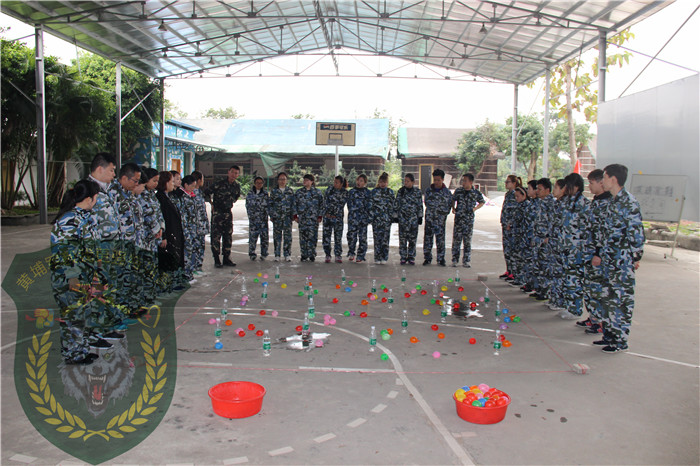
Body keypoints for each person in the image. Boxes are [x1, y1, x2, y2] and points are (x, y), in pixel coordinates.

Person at [591, 164, 645, 353]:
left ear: (613, 179)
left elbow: (637, 234)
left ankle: (620, 341)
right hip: (609, 261)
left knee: (621, 301)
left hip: (621, 263)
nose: (602, 181)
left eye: (604, 177)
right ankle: (609, 335)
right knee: (608, 299)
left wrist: (635, 257)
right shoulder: (612, 202)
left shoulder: (628, 202)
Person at [51, 180, 103, 365]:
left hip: (84, 275)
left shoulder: (85, 216)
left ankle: (81, 349)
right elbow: (65, 251)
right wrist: (73, 277)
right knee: (72, 317)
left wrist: (95, 271)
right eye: (96, 197)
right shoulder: (69, 220)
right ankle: (72, 354)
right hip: (70, 278)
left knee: (81, 315)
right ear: (89, 199)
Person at [578, 169, 613, 334]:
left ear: (602, 183)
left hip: (598, 254)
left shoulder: (608, 204)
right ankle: (593, 317)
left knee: (598, 288)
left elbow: (603, 232)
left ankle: (599, 321)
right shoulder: (596, 201)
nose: (589, 186)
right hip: (589, 251)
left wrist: (598, 253)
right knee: (590, 287)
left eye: (591, 183)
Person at [108, 163, 143, 316]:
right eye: (134, 181)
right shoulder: (112, 194)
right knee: (119, 280)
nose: (136, 184)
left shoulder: (127, 194)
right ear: (124, 178)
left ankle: (130, 306)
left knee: (130, 277)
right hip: (118, 245)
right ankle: (120, 312)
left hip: (132, 243)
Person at [557, 173, 592, 320]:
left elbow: (588, 228)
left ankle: (575, 309)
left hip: (577, 249)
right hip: (565, 246)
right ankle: (568, 305)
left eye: (568, 185)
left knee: (575, 279)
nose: (566, 188)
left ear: (576, 186)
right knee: (566, 278)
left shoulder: (584, 203)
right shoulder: (566, 201)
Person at [203, 165, 240, 268]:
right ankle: (216, 259)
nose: (234, 175)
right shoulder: (219, 183)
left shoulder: (236, 186)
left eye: (236, 173)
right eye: (232, 172)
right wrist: (211, 203)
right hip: (218, 214)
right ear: (228, 172)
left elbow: (236, 197)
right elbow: (206, 192)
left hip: (228, 213)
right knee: (216, 236)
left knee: (228, 236)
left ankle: (226, 258)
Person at [137, 168, 164, 302]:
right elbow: (147, 214)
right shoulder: (141, 195)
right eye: (153, 181)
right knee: (146, 267)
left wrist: (161, 227)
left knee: (152, 265)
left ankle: (151, 294)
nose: (155, 184)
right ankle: (146, 297)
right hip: (146, 236)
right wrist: (155, 229)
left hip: (154, 236)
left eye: (157, 181)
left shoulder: (152, 194)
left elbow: (158, 213)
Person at [156, 171, 186, 291]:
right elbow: (162, 218)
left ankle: (175, 281)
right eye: (171, 181)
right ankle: (168, 284)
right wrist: (164, 236)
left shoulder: (169, 196)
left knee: (176, 257)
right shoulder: (160, 198)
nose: (173, 184)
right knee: (169, 258)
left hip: (175, 232)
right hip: (168, 233)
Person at [528, 178, 555, 300]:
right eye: (537, 189)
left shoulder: (552, 203)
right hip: (537, 238)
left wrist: (548, 236)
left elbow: (554, 222)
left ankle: (545, 291)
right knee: (537, 264)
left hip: (544, 239)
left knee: (545, 266)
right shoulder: (538, 202)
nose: (537, 191)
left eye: (540, 189)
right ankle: (538, 289)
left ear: (547, 190)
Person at [451, 173, 485, 268]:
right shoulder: (459, 191)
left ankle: (466, 260)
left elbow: (482, 202)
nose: (463, 182)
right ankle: (455, 259)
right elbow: (453, 199)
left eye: (465, 180)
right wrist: (453, 208)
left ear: (470, 182)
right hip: (458, 219)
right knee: (456, 241)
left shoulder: (475, 192)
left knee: (467, 241)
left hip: (468, 220)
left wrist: (475, 209)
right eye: (463, 180)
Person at [171, 174, 199, 282]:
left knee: (191, 251)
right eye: (176, 179)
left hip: (191, 228)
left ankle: (189, 273)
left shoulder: (188, 195)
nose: (178, 181)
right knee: (186, 252)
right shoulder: (180, 196)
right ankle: (186, 275)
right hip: (185, 229)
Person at [423, 169, 453, 266]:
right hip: (429, 219)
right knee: (428, 239)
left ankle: (441, 258)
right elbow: (426, 202)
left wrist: (442, 215)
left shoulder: (447, 192)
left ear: (443, 179)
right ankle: (427, 258)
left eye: (438, 180)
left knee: (440, 240)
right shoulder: (428, 190)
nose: (436, 182)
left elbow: (449, 205)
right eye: (434, 180)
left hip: (440, 220)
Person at [546, 179, 568, 312]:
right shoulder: (557, 203)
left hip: (561, 245)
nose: (554, 190)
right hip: (554, 243)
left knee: (561, 274)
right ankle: (554, 299)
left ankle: (561, 302)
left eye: (556, 187)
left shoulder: (567, 204)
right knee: (554, 272)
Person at [293, 174, 324, 262]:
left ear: (311, 181)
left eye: (307, 180)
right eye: (304, 180)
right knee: (303, 237)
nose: (305, 181)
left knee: (313, 237)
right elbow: (294, 204)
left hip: (313, 219)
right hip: (302, 219)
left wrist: (320, 216)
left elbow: (321, 205)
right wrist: (295, 215)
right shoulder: (299, 192)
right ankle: (304, 254)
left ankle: (312, 254)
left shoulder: (317, 192)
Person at [395, 174, 423, 265]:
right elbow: (397, 204)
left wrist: (420, 216)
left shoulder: (417, 192)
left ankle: (411, 257)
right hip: (403, 219)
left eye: (408, 181)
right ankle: (403, 257)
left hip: (413, 219)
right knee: (402, 239)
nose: (406, 183)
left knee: (412, 239)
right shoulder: (401, 191)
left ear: (413, 182)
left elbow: (419, 205)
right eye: (405, 181)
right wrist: (395, 216)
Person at [500, 175, 522, 280]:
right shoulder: (508, 194)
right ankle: (509, 270)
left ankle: (514, 272)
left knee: (512, 250)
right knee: (506, 249)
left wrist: (510, 223)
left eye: (508, 182)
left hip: (511, 227)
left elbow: (514, 211)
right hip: (505, 225)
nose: (506, 183)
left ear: (514, 183)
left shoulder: (515, 195)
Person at [370, 172, 395, 264]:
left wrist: (392, 218)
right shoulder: (374, 192)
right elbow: (370, 205)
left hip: (386, 220)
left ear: (387, 182)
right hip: (376, 220)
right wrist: (371, 217)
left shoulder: (390, 192)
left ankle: (384, 257)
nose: (382, 184)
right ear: (378, 182)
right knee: (377, 240)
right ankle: (377, 257)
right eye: (381, 182)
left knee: (385, 239)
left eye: (384, 182)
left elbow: (393, 206)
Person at [269, 172, 295, 262]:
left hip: (287, 218)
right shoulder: (274, 191)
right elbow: (270, 204)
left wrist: (293, 215)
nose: (282, 181)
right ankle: (277, 254)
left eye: (284, 179)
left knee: (288, 237)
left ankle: (287, 254)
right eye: (280, 179)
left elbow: (293, 204)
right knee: (277, 237)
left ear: (286, 180)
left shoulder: (290, 191)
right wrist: (272, 215)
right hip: (277, 218)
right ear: (277, 180)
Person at [346, 174, 371, 263]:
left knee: (362, 238)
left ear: (365, 183)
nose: (359, 182)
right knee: (351, 237)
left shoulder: (368, 193)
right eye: (358, 180)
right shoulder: (352, 192)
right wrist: (354, 211)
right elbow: (349, 204)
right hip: (353, 218)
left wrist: (367, 216)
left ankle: (361, 255)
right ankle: (351, 252)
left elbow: (369, 206)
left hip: (363, 219)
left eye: (361, 181)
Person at [322, 175, 348, 263]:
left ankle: (338, 255)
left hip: (338, 218)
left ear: (341, 184)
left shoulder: (344, 192)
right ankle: (327, 255)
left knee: (338, 237)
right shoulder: (329, 189)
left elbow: (341, 205)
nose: (335, 184)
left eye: (337, 182)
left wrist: (334, 214)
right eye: (334, 182)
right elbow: (325, 202)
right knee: (326, 237)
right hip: (327, 217)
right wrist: (326, 213)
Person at [246, 176, 270, 261]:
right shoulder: (250, 193)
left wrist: (267, 215)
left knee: (264, 238)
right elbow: (247, 206)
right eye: (257, 183)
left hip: (263, 220)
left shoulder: (265, 194)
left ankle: (264, 253)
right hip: (253, 220)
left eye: (260, 183)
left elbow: (268, 206)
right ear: (254, 183)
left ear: (263, 184)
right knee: (252, 238)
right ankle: (252, 253)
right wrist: (251, 217)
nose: (259, 184)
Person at [191, 171, 210, 275]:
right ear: (199, 180)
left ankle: (198, 266)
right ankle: (194, 268)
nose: (203, 181)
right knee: (195, 247)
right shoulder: (192, 193)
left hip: (201, 226)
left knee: (200, 247)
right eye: (202, 179)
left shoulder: (199, 192)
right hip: (196, 226)